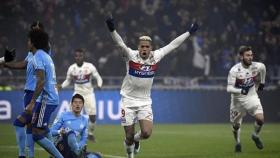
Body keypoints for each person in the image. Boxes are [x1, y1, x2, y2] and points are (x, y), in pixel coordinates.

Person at [105, 15, 198, 158]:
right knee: (128, 136)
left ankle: (136, 140)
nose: (144, 49)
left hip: (144, 102)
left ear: (151, 48)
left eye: (147, 46)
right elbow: (119, 43)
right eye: (142, 46)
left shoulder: (156, 56)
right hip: (127, 100)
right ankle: (130, 154)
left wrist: (189, 32)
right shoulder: (131, 55)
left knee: (146, 133)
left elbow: (173, 45)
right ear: (138, 47)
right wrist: (112, 29)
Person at [0, 21, 44, 158]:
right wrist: (6, 64)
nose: (35, 31)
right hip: (29, 91)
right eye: (33, 29)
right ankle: (29, 155)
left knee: (20, 123)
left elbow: (42, 75)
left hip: (35, 91)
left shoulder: (43, 49)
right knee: (31, 125)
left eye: (38, 30)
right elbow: (24, 64)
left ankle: (22, 155)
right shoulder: (32, 52)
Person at [24, 29, 63, 157]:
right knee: (44, 129)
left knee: (35, 133)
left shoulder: (37, 57)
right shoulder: (46, 55)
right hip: (50, 97)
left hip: (47, 99)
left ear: (33, 42)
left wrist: (32, 102)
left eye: (29, 40)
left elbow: (41, 81)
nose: (27, 42)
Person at [226, 45, 266, 152]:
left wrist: (262, 82)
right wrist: (240, 91)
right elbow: (229, 88)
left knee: (260, 119)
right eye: (247, 55)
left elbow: (263, 67)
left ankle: (255, 135)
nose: (250, 57)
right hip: (237, 101)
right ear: (241, 57)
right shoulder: (234, 70)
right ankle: (238, 142)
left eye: (251, 55)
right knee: (236, 126)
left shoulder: (256, 66)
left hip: (251, 97)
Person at [59, 48, 103, 142]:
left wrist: (99, 85)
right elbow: (68, 80)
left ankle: (90, 134)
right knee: (73, 115)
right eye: (76, 56)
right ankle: (70, 135)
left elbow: (98, 77)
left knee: (93, 117)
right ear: (74, 57)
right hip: (77, 94)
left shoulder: (90, 66)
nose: (78, 57)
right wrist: (61, 86)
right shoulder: (71, 68)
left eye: (80, 56)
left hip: (89, 94)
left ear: (83, 56)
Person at [51, 93, 102, 158]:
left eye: (80, 103)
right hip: (62, 146)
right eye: (75, 102)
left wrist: (79, 147)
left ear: (83, 105)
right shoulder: (63, 115)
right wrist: (59, 132)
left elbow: (84, 139)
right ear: (71, 104)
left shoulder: (85, 120)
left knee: (97, 156)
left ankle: (78, 153)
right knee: (70, 133)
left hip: (75, 149)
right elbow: (51, 131)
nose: (77, 104)